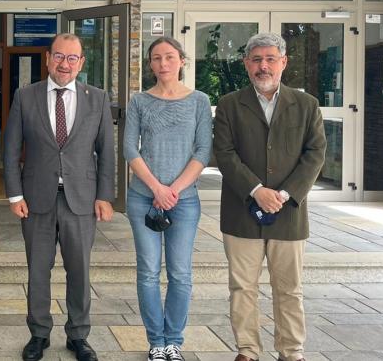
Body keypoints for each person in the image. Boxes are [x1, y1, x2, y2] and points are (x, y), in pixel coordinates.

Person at [213, 32, 326, 361]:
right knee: (242, 288)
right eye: (257, 59)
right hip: (241, 212)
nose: (264, 66)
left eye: (270, 59)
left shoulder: (307, 106)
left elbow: (315, 154)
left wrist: (285, 193)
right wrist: (256, 190)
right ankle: (247, 351)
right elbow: (224, 153)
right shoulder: (230, 104)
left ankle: (291, 352)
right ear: (247, 64)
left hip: (288, 214)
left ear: (283, 62)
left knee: (289, 289)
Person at [3, 33, 114, 361]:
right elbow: (10, 151)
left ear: (81, 62)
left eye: (72, 58)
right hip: (36, 198)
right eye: (59, 56)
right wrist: (14, 195)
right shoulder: (25, 96)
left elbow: (106, 151)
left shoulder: (97, 98)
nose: (65, 64)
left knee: (79, 271)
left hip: (81, 198)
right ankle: (38, 334)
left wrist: (105, 196)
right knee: (38, 269)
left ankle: (78, 335)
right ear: (48, 58)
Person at [123, 37, 212, 361]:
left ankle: (174, 340)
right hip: (143, 198)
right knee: (147, 271)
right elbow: (130, 149)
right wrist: (157, 189)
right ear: (150, 64)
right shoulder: (139, 101)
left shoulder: (199, 101)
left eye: (170, 57)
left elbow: (203, 150)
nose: (163, 63)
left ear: (182, 61)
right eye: (157, 58)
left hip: (184, 202)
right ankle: (156, 342)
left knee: (180, 273)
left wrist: (173, 190)